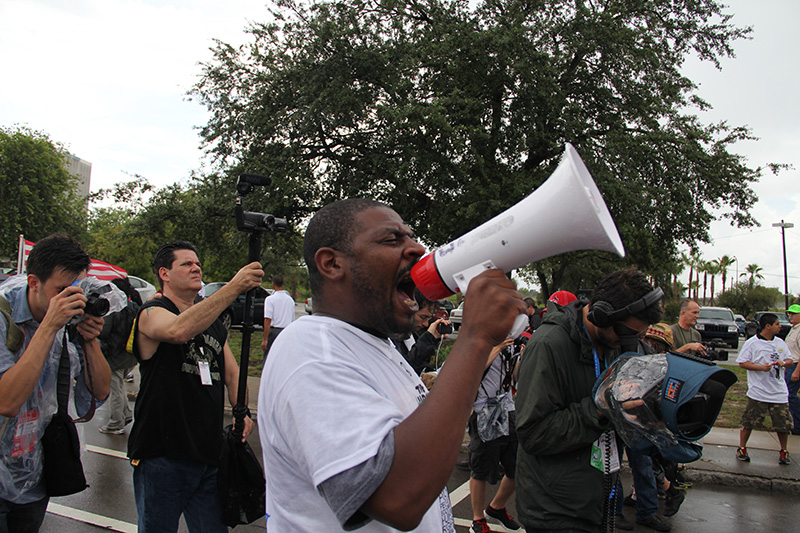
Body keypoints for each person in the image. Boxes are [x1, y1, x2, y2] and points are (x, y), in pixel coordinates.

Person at [258, 198, 525, 532]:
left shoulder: (374, 342)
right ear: (331, 263)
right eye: (392, 239)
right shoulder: (312, 351)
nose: (417, 248)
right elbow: (397, 499)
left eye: (411, 237)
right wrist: (475, 338)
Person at [515, 268, 662, 533]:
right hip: (555, 511)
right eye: (627, 333)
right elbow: (533, 433)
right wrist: (600, 408)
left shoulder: (613, 345)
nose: (629, 343)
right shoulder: (549, 345)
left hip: (596, 501)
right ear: (601, 313)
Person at [127, 241, 260, 532]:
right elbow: (177, 330)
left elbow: (233, 374)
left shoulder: (212, 322)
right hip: (162, 455)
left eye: (197, 263)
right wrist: (233, 287)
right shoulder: (151, 312)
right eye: (186, 264)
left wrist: (243, 412)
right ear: (164, 273)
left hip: (210, 456)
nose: (196, 267)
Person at [0, 234, 111, 532]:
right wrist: (49, 326)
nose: (69, 300)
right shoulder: (4, 317)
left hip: (35, 472)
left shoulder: (68, 324)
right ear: (33, 282)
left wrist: (90, 341)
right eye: (61, 291)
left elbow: (100, 392)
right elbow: (7, 402)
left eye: (76, 291)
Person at [468, 338, 521, 533]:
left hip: (507, 408)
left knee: (517, 463)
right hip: (482, 409)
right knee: (481, 466)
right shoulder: (479, 340)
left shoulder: (512, 343)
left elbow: (516, 376)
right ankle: (477, 518)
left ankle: (497, 507)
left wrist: (520, 356)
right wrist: (497, 348)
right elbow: (471, 371)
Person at [736, 313, 794, 465]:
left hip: (779, 392)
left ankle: (783, 451)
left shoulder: (780, 343)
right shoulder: (752, 343)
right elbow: (742, 362)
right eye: (777, 324)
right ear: (768, 326)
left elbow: (790, 359)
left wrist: (784, 363)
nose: (779, 326)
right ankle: (742, 448)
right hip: (758, 392)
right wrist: (761, 368)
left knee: (783, 424)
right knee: (749, 422)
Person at [97, 277, 142, 435]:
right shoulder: (133, 306)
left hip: (115, 354)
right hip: (130, 354)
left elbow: (103, 332)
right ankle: (126, 414)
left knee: (114, 388)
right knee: (120, 385)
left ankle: (115, 423)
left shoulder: (114, 308)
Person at [392, 289, 449, 375]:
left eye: (428, 318)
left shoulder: (411, 335)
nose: (426, 324)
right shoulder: (390, 339)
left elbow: (420, 366)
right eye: (423, 317)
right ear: (407, 310)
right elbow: (403, 372)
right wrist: (427, 340)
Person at [259, 274, 295, 358]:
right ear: (283, 283)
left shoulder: (270, 299)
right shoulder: (290, 300)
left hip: (274, 331)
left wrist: (265, 339)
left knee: (269, 356)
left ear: (273, 283)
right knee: (282, 356)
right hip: (286, 331)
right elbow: (292, 319)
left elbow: (268, 319)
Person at [784, 304, 800, 435]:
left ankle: (798, 424)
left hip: (796, 366)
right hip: (789, 366)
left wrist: (797, 371)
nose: (791, 316)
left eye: (793, 314)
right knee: (787, 395)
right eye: (789, 313)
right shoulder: (794, 329)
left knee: (790, 395)